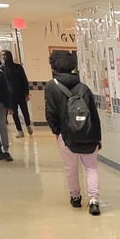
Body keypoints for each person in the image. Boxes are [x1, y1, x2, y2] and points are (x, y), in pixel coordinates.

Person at [45, 50, 102, 215]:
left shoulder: (51, 87)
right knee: (91, 168)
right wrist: (98, 137)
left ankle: (75, 198)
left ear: (53, 65)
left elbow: (50, 113)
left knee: (71, 168)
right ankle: (94, 201)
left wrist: (57, 132)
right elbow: (94, 114)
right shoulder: (84, 88)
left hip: (66, 134)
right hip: (89, 134)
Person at [1, 50, 33, 137]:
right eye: (2, 55)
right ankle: (19, 130)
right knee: (14, 113)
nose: (3, 57)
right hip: (10, 95)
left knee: (25, 111)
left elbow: (24, 80)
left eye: (5, 55)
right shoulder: (1, 68)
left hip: (20, 93)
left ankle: (28, 124)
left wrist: (26, 93)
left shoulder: (18, 67)